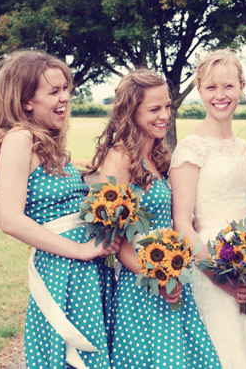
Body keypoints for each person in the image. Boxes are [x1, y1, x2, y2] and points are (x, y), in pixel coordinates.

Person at [0, 50, 118, 369]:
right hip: (62, 271)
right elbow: (10, 220)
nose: (65, 98)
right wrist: (80, 250)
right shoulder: (20, 139)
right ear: (26, 100)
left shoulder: (53, 147)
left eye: (66, 89)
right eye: (54, 91)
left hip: (86, 271)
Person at [85, 69, 221, 369]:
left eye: (168, 106)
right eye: (154, 109)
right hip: (142, 288)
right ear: (131, 112)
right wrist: (157, 278)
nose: (164, 115)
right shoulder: (119, 159)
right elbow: (112, 240)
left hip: (170, 279)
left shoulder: (157, 157)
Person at [170, 50, 246, 369]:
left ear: (242, 87)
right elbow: (182, 223)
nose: (220, 95)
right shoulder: (190, 148)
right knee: (226, 351)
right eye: (211, 87)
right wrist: (222, 277)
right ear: (200, 90)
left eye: (228, 86)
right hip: (212, 264)